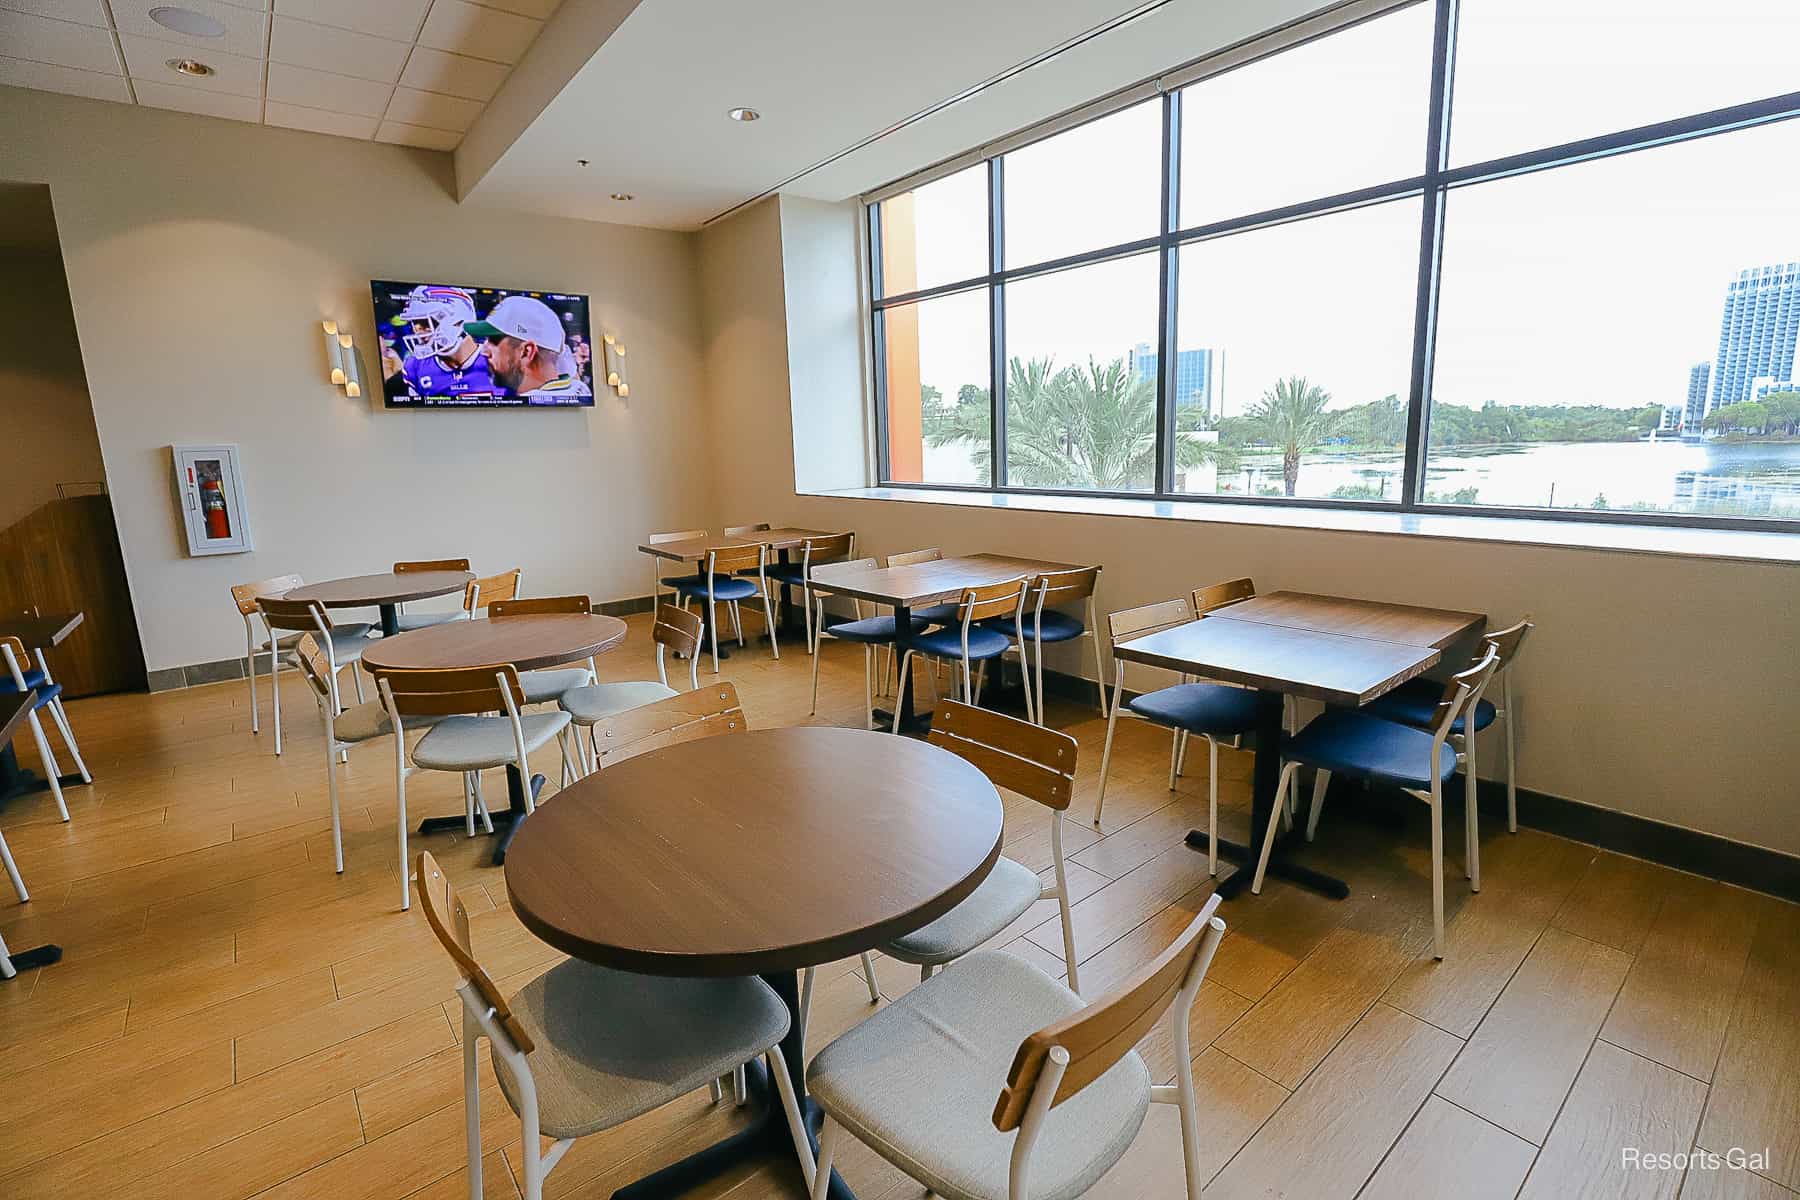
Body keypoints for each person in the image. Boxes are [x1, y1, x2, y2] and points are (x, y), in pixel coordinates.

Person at [465, 295, 593, 402]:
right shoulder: (577, 391)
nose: (483, 350)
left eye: (494, 341)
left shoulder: (530, 412)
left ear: (526, 352)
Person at [389, 285, 500, 399]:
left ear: (458, 322)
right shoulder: (415, 366)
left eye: (427, 323)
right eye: (415, 324)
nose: (419, 333)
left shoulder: (500, 362)